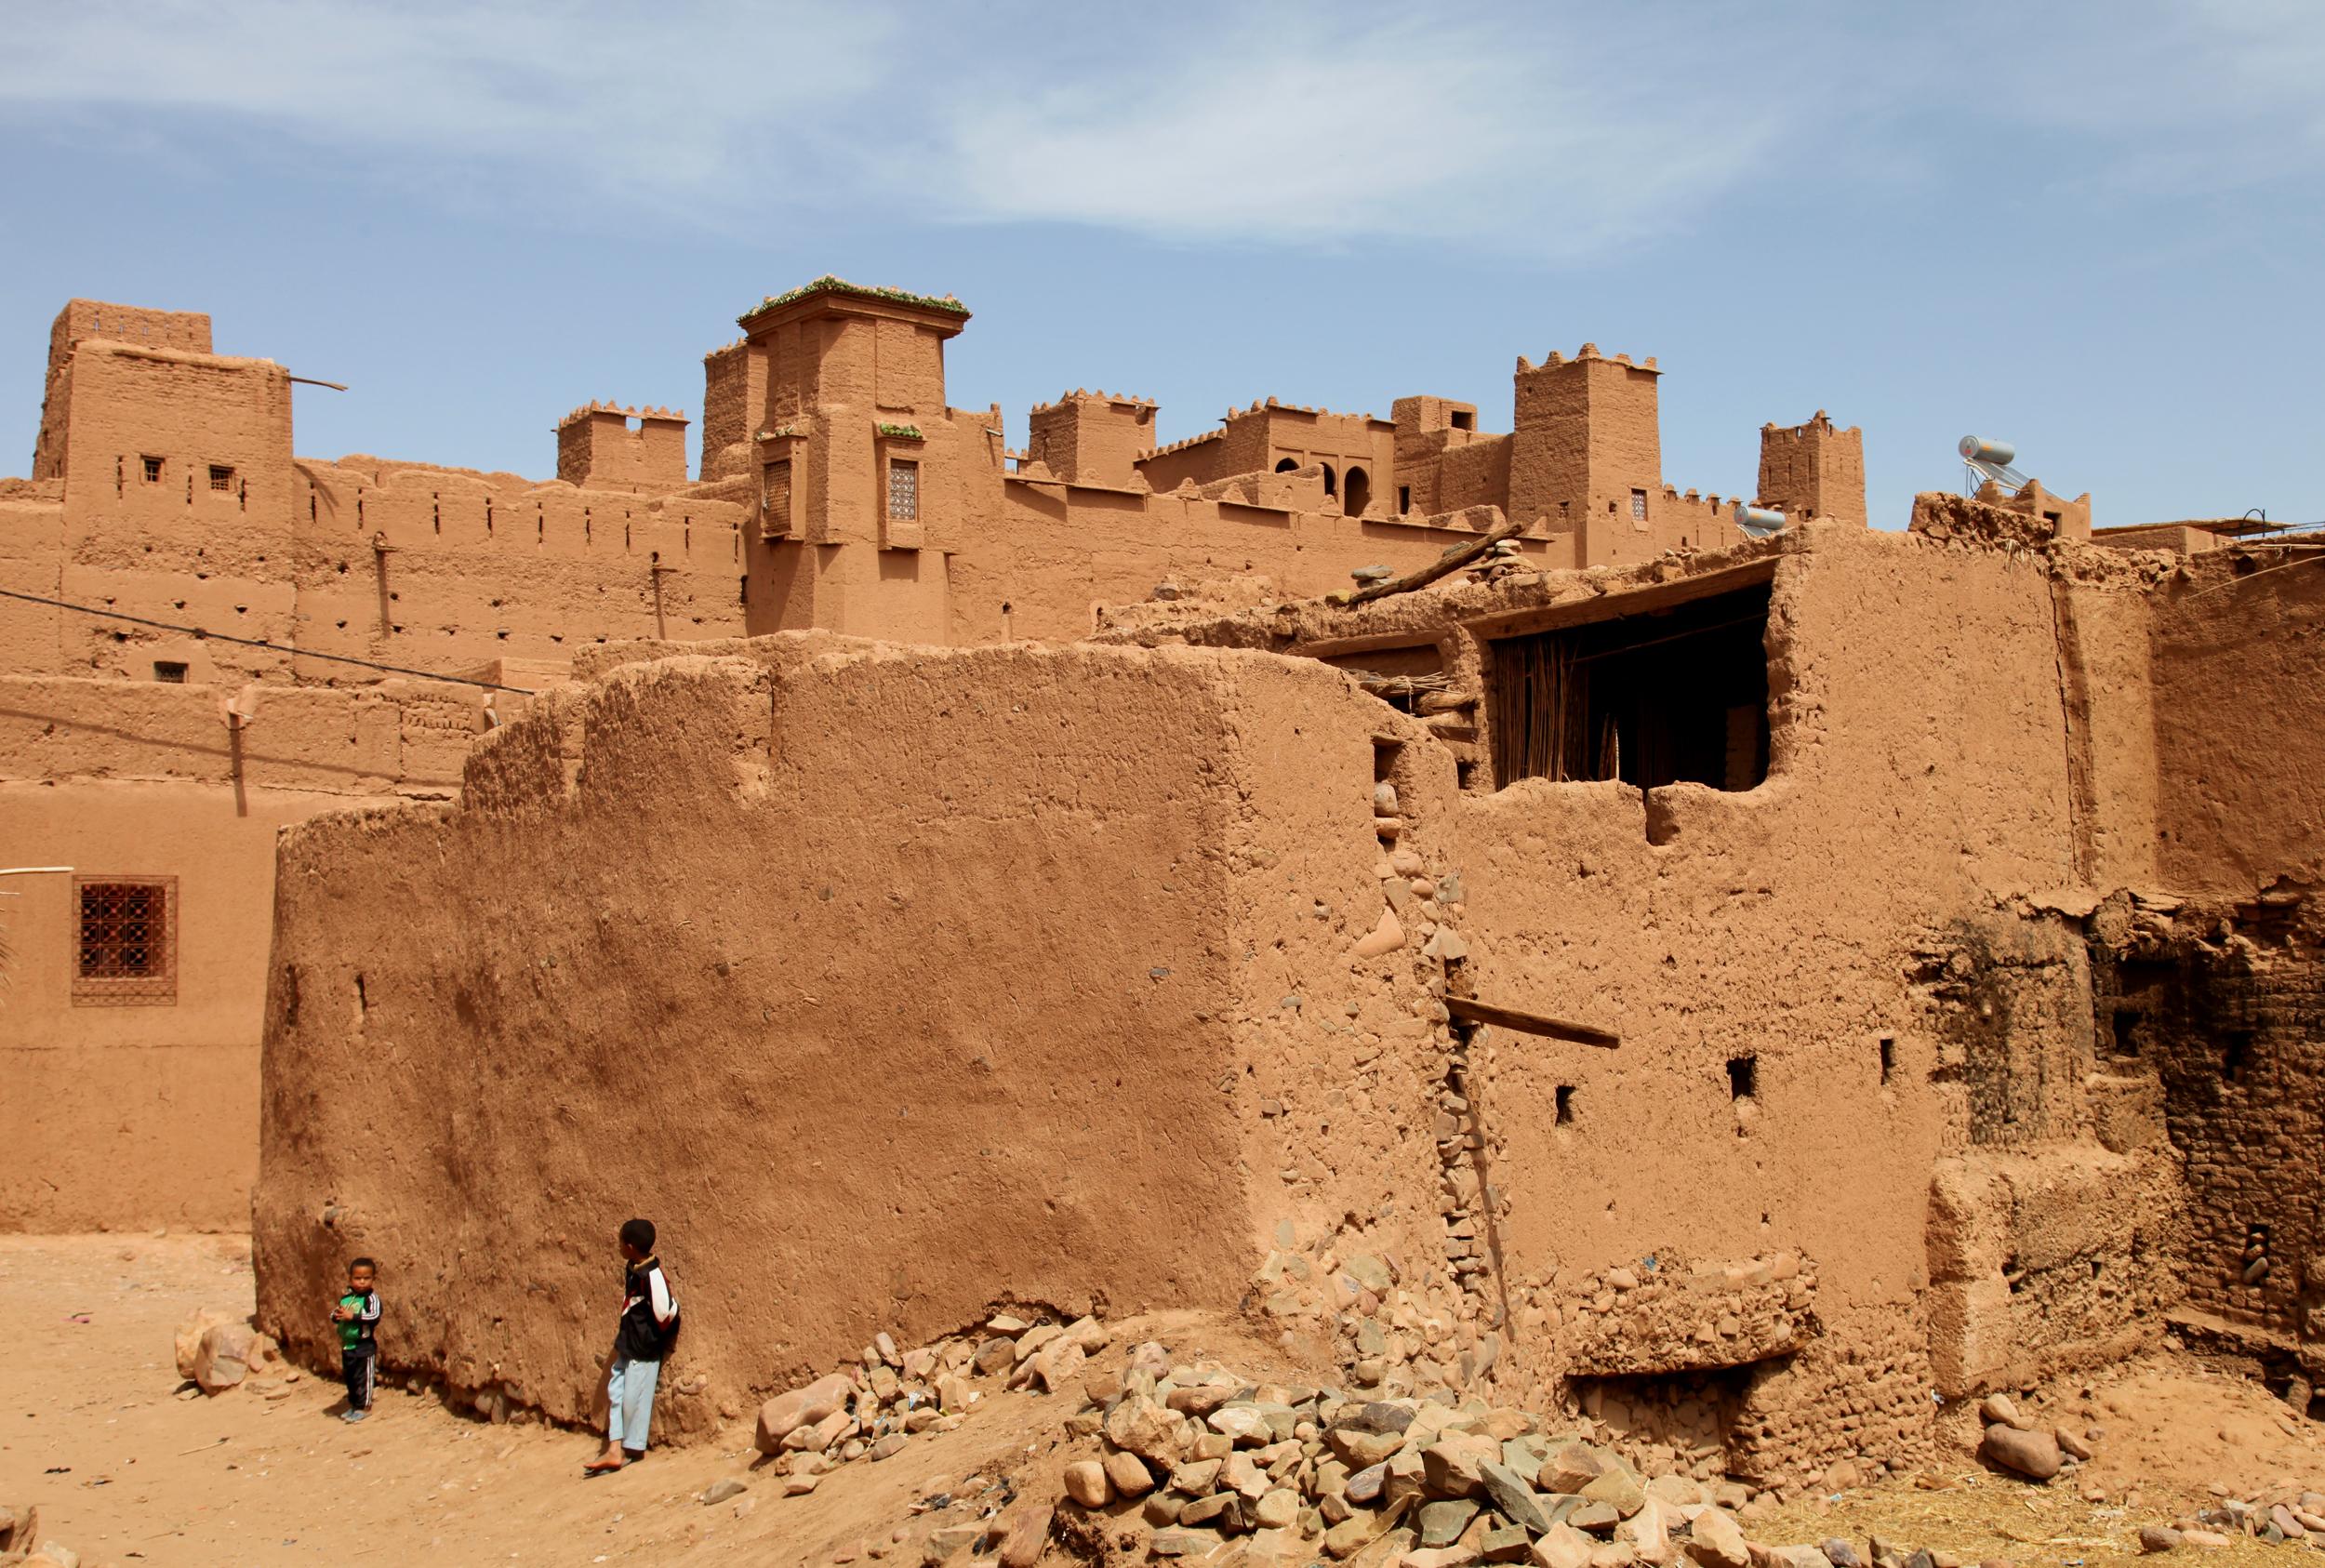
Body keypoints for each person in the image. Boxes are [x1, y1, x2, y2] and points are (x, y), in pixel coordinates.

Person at [585, 1218, 679, 1474]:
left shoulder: (652, 1274)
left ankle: (631, 1447)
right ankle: (615, 1449)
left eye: (620, 1243)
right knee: (616, 1391)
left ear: (629, 1246)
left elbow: (666, 1312)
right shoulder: (635, 1269)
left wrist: (654, 1339)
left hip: (644, 1347)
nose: (618, 1247)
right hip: (630, 1343)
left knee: (632, 1398)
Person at [331, 1256, 381, 1423]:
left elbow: (374, 1315)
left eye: (366, 1278)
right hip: (348, 1346)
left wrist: (353, 1316)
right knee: (351, 1377)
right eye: (357, 1278)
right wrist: (337, 1315)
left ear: (373, 1279)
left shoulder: (371, 1299)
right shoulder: (347, 1298)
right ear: (350, 1279)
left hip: (364, 1345)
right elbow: (336, 1315)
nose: (361, 1282)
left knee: (363, 1377)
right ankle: (354, 1405)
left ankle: (364, 1407)